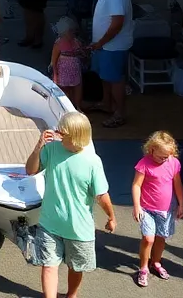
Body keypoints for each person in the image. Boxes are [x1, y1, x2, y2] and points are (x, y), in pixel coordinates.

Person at [25, 111, 116, 298]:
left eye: (61, 132)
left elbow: (102, 196)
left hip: (78, 230)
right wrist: (38, 147)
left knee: (76, 268)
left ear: (74, 136)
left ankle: (71, 295)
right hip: (50, 224)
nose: (57, 134)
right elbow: (30, 170)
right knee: (49, 266)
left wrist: (111, 216)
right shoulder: (51, 150)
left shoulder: (92, 162)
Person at [132, 130, 183, 288]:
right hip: (146, 209)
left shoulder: (173, 163)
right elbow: (136, 185)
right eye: (160, 156)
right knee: (148, 239)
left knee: (161, 238)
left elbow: (177, 184)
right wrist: (136, 206)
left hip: (166, 210)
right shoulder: (144, 164)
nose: (163, 159)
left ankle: (156, 262)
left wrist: (181, 204)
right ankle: (143, 268)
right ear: (151, 150)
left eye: (166, 156)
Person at [88, 0, 134, 128]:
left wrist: (100, 42)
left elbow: (117, 22)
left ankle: (119, 113)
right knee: (105, 76)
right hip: (105, 46)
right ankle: (106, 103)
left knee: (115, 79)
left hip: (113, 46)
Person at [51, 17, 84, 109]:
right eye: (70, 32)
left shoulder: (76, 42)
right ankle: (66, 108)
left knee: (77, 89)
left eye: (73, 31)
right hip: (63, 72)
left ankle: (78, 107)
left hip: (75, 70)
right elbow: (54, 60)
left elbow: (82, 54)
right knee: (65, 91)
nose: (72, 34)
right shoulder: (58, 43)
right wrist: (55, 74)